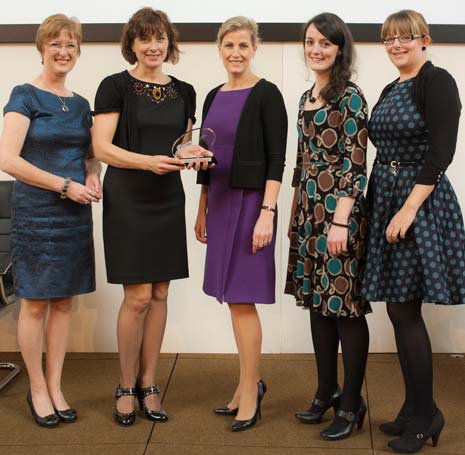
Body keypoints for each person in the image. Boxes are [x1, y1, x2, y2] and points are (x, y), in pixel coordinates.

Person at [92, 7, 208, 426]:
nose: (153, 46)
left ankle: (150, 383)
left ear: (169, 43)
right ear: (132, 44)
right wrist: (146, 163)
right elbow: (102, 149)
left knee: (160, 292)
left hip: (167, 197)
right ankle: (125, 385)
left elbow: (180, 145)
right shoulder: (115, 86)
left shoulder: (185, 90)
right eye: (145, 39)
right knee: (137, 296)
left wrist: (192, 155)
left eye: (160, 38)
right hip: (128, 197)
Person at [361, 9, 463, 454]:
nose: (396, 45)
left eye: (405, 37)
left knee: (405, 310)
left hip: (419, 203)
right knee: (399, 311)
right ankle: (413, 407)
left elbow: (441, 151)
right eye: (389, 39)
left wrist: (406, 210)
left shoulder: (436, 81)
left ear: (425, 40)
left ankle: (426, 417)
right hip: (388, 197)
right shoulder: (392, 87)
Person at [0, 14, 100, 427]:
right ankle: (37, 388)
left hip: (75, 214)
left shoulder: (79, 104)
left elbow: (90, 154)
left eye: (71, 45)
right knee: (36, 304)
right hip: (38, 215)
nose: (64, 52)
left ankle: (56, 385)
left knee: (64, 301)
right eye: (56, 44)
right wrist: (64, 185)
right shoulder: (24, 95)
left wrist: (93, 174)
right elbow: (7, 159)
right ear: (42, 48)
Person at [194, 16, 287, 432]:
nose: (236, 52)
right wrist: (202, 209)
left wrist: (267, 213)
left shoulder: (268, 95)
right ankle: (245, 383)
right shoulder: (213, 94)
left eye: (243, 46)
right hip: (220, 199)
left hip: (252, 205)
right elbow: (204, 155)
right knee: (230, 297)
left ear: (255, 49)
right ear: (219, 49)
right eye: (228, 45)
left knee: (242, 298)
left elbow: (276, 160)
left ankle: (251, 390)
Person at [285, 13, 370, 440]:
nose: (316, 49)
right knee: (319, 303)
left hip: (340, 214)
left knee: (345, 309)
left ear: (340, 49)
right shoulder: (305, 97)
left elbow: (356, 164)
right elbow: (302, 161)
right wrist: (296, 210)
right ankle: (326, 391)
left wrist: (341, 220)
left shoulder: (350, 97)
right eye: (311, 41)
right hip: (310, 214)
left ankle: (352, 404)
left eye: (325, 43)